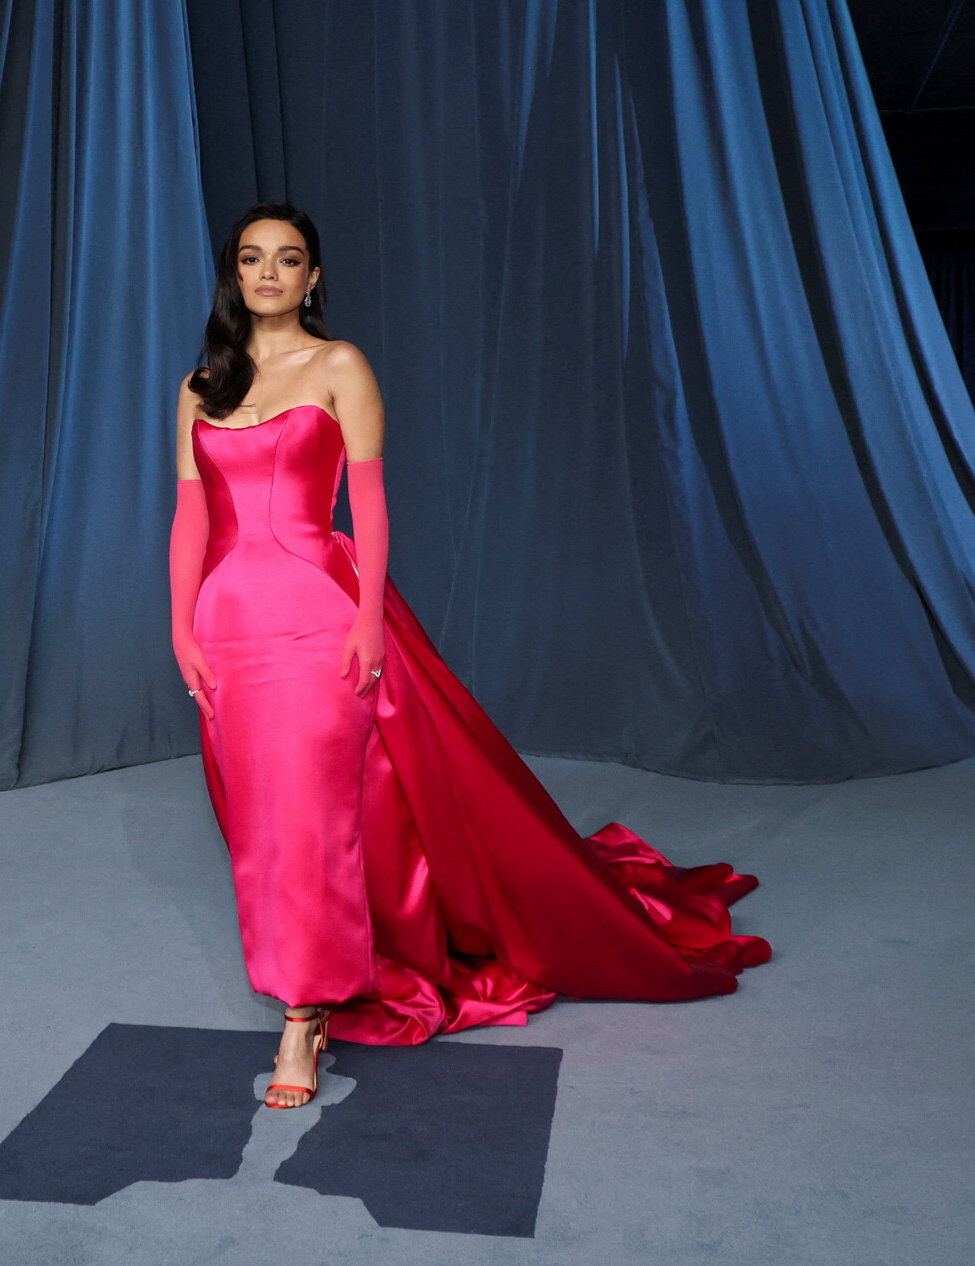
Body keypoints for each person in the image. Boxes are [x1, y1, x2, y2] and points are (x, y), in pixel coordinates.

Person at [170, 204, 770, 1109]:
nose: (268, 273)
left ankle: (305, 1014)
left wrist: (367, 620)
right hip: (227, 627)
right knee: (260, 819)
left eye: (288, 259)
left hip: (318, 616)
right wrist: (181, 629)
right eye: (253, 258)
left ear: (312, 277)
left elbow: (369, 507)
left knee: (311, 814)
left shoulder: (340, 367)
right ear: (235, 273)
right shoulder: (202, 384)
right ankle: (319, 968)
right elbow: (191, 518)